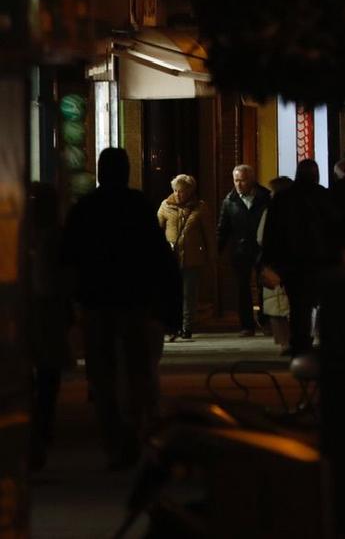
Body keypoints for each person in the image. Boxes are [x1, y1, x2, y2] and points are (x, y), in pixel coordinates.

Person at [58, 147, 179, 468]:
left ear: (100, 172)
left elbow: (68, 258)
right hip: (133, 301)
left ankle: (113, 438)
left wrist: (69, 304)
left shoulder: (85, 208)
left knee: (102, 374)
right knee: (136, 369)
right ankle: (133, 429)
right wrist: (166, 306)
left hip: (96, 302)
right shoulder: (137, 205)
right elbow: (158, 257)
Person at [259, 157, 338, 354]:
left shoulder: (283, 198)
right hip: (320, 259)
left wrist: (268, 259)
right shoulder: (324, 196)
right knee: (322, 301)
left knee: (298, 304)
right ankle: (322, 339)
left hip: (290, 260)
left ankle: (300, 341)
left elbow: (271, 231)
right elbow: (335, 227)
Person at [25, 183, 72, 472]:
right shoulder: (57, 237)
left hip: (28, 312)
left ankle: (34, 433)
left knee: (33, 376)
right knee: (47, 376)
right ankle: (41, 431)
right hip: (49, 312)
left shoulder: (22, 237)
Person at [216, 164, 271, 336]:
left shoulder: (265, 197)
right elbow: (223, 228)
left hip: (263, 248)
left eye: (243, 180)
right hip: (240, 249)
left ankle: (266, 320)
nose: (239, 184)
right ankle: (247, 325)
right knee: (242, 287)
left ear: (252, 179)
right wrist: (217, 250)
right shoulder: (230, 200)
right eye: (236, 180)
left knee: (265, 285)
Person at [157, 174, 211, 341]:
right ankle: (173, 326)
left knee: (189, 294)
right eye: (175, 190)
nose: (178, 194)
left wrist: (211, 255)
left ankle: (186, 327)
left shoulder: (200, 208)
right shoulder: (165, 206)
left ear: (190, 191)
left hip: (192, 257)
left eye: (181, 191)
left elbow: (208, 234)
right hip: (171, 259)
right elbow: (156, 230)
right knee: (172, 294)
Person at [257, 176, 293, 351]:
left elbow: (261, 238)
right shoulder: (301, 209)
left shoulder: (271, 211)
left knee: (276, 305)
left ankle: (284, 342)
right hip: (296, 264)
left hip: (275, 263)